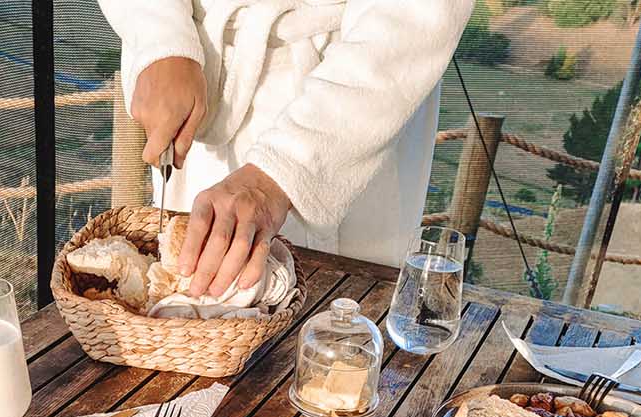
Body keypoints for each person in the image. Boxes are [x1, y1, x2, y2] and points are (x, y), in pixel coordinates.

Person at [97, 0, 474, 298]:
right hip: (205, 79)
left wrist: (282, 172)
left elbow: (414, 13)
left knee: (345, 333)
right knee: (189, 303)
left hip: (357, 107)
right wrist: (161, 39)